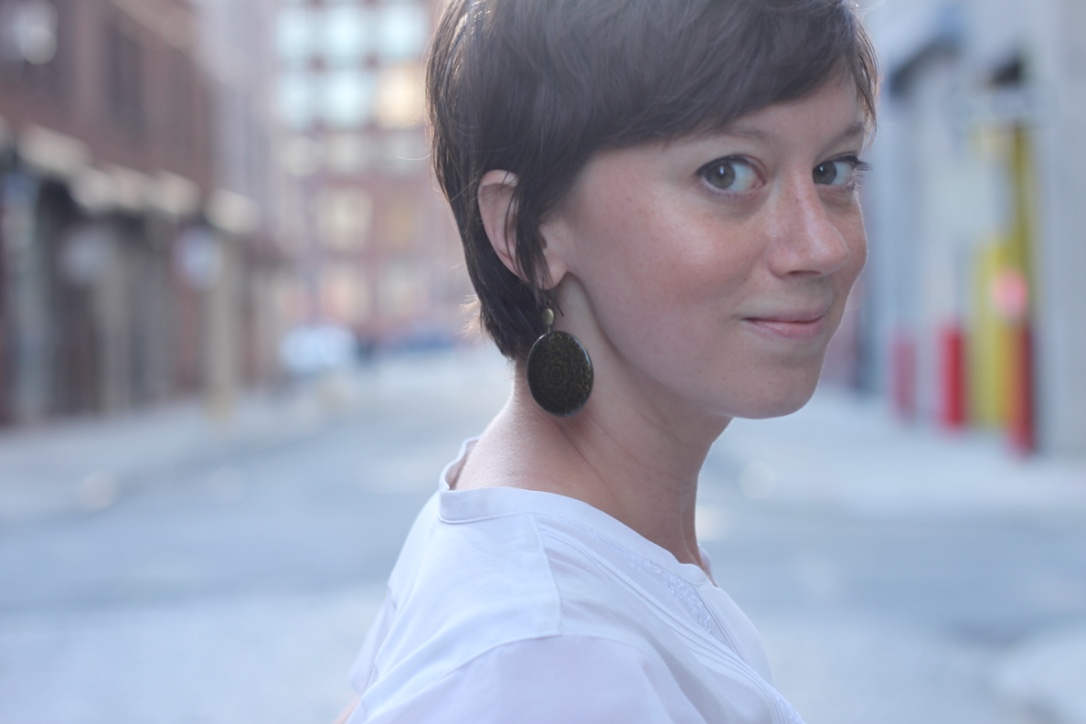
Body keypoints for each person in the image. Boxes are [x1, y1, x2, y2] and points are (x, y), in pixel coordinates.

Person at [339, 0, 878, 721]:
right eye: (726, 173)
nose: (822, 246)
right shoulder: (550, 656)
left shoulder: (543, 547)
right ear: (528, 230)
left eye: (834, 169)